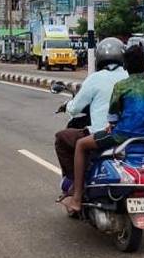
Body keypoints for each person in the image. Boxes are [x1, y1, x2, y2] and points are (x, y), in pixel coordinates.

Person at [61, 44, 144, 213]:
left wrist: (111, 125)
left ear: (126, 66)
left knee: (81, 145)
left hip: (121, 137)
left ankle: (77, 198)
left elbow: (113, 116)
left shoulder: (121, 86)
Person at [54, 38, 128, 198]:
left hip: (107, 134)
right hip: (132, 134)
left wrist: (67, 106)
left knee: (62, 138)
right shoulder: (130, 78)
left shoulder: (95, 78)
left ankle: (76, 188)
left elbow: (75, 108)